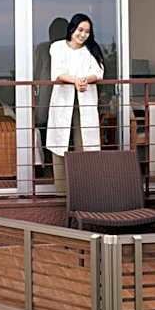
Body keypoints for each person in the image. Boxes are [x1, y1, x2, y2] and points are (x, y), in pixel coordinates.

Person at [45, 13, 105, 192]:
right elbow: (58, 72)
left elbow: (98, 72)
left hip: (84, 101)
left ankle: (84, 189)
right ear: (72, 29)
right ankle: (62, 190)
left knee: (85, 144)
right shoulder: (57, 47)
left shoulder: (91, 49)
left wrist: (85, 80)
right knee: (59, 143)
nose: (83, 34)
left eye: (87, 31)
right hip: (63, 100)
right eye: (80, 30)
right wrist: (75, 81)